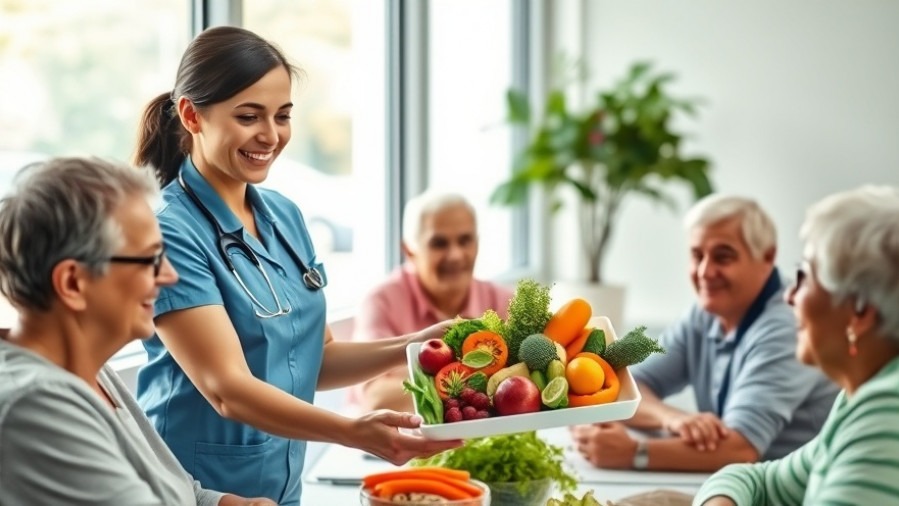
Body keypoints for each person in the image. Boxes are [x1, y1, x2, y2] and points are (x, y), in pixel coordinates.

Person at [133, 26, 460, 505]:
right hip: (195, 489)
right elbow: (228, 390)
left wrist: (416, 344)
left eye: (282, 116)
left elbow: (316, 359)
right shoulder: (169, 232)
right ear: (191, 115)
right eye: (249, 116)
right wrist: (354, 430)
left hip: (282, 489)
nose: (270, 135)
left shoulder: (283, 216)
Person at [0, 157, 274, 505]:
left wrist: (230, 503)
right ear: (73, 282)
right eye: (150, 260)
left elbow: (177, 492)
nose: (169, 276)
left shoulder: (92, 372)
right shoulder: (36, 406)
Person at [571, 194, 838, 472]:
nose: (705, 271)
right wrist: (672, 419)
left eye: (723, 256)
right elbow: (626, 390)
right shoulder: (707, 313)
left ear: (767, 256)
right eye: (697, 255)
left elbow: (740, 448)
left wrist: (633, 453)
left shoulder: (787, 327)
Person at [694, 185, 899, 505]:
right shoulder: (855, 399)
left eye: (804, 277)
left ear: (859, 311)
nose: (790, 296)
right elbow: (756, 478)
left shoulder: (886, 410)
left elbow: (740, 450)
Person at [349, 190, 514, 412]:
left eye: (465, 240)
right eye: (439, 243)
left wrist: (419, 380)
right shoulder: (381, 302)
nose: (455, 255)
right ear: (409, 250)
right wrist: (477, 380)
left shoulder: (503, 301)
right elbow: (376, 398)